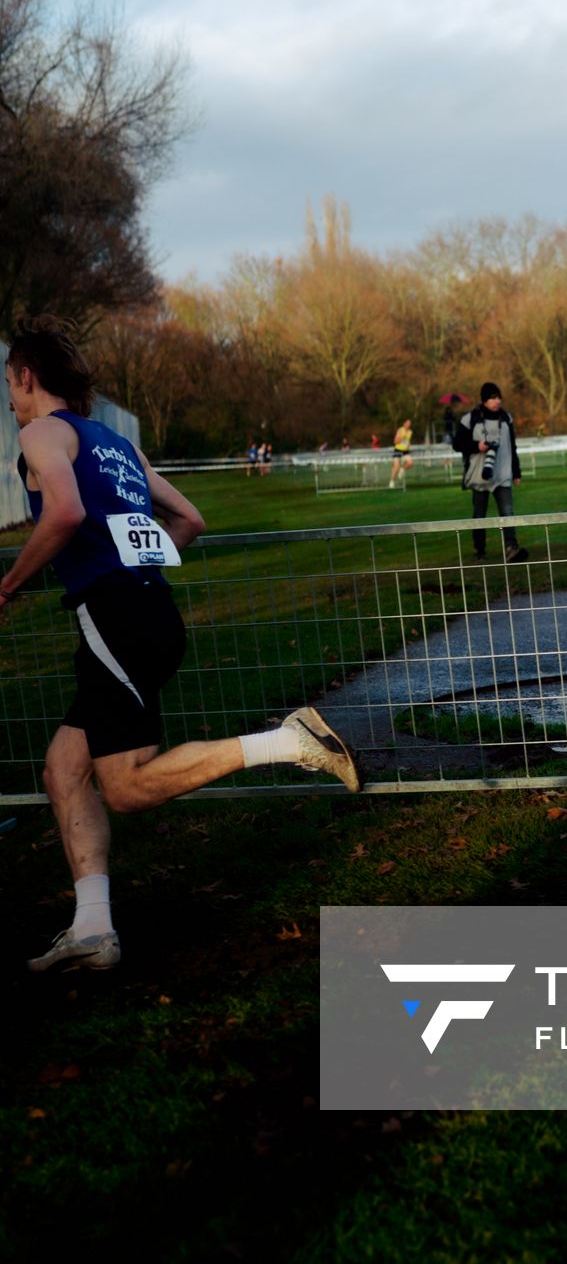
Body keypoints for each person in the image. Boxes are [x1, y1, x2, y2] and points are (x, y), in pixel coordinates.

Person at [1, 319, 363, 975]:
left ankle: (288, 741)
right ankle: (92, 930)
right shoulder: (112, 443)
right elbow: (189, 519)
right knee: (64, 767)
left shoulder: (40, 433)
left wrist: (8, 586)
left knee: (130, 787)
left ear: (26, 376)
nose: (9, 398)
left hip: (113, 619)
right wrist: (137, 577)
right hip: (151, 613)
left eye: (9, 384)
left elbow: (64, 514)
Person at [453, 382, 528, 563]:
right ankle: (480, 551)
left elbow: (512, 446)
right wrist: (476, 446)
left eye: (498, 397)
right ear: (484, 400)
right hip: (480, 476)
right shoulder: (470, 419)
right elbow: (457, 444)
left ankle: (511, 548)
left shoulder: (506, 418)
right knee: (480, 515)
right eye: (493, 398)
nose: (497, 401)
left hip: (502, 474)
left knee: (507, 512)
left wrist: (516, 471)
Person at [389, 417, 414, 488]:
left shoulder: (410, 432)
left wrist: (408, 444)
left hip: (405, 451)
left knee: (410, 463)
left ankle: (402, 469)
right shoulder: (400, 430)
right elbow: (395, 441)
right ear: (404, 424)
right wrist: (402, 438)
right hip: (398, 450)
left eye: (409, 424)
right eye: (407, 423)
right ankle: (392, 480)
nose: (408, 425)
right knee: (396, 466)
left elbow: (408, 441)